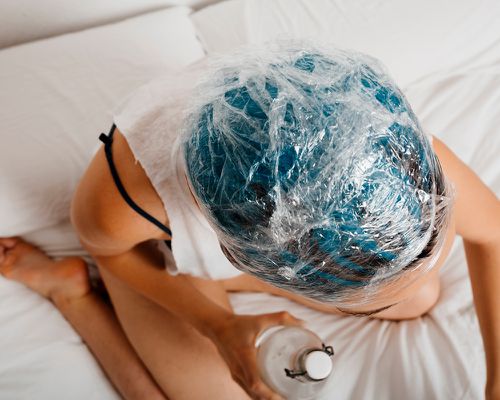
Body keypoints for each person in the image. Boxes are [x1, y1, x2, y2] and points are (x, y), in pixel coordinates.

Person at [0, 43, 499, 400]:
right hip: (139, 251)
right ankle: (70, 292)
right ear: (255, 261)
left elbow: (494, 234)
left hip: (256, 216)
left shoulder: (385, 148)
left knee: (421, 297)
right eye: (360, 311)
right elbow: (107, 247)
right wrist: (218, 326)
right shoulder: (127, 199)